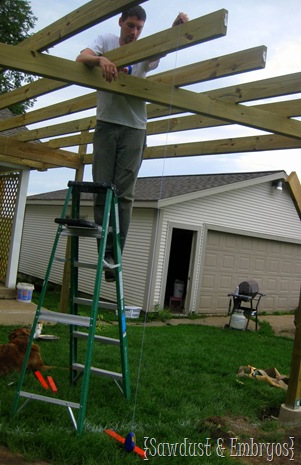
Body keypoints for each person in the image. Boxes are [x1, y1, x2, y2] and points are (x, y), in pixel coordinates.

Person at [76, 6, 188, 281]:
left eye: (139, 27)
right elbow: (81, 57)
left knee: (124, 196)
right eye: (130, 26)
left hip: (135, 127)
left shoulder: (145, 48)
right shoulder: (105, 41)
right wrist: (101, 60)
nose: (134, 32)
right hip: (105, 125)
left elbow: (160, 51)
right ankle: (104, 254)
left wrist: (175, 30)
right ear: (120, 22)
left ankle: (115, 257)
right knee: (102, 190)